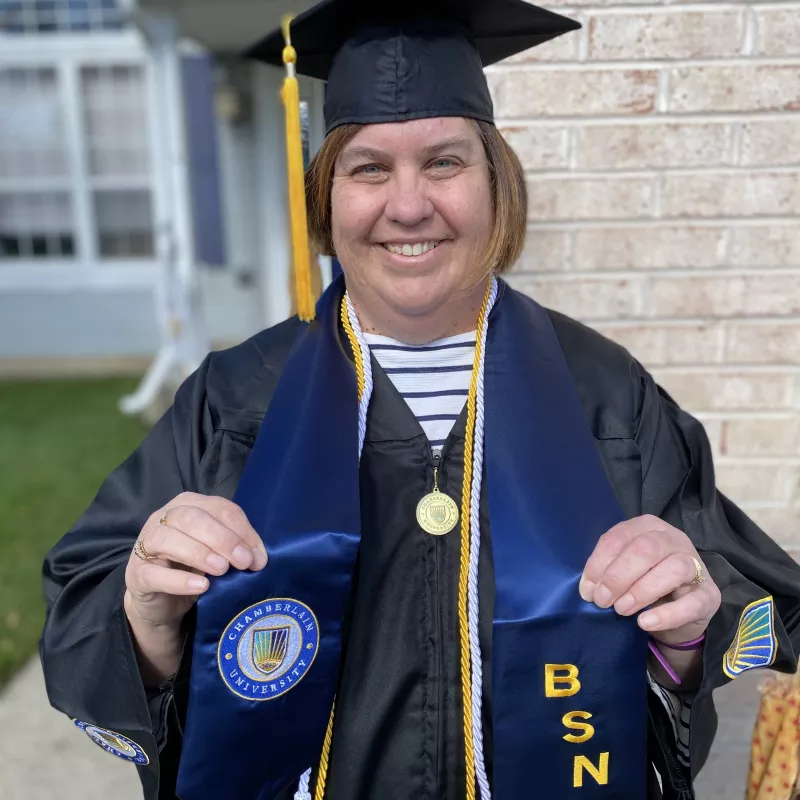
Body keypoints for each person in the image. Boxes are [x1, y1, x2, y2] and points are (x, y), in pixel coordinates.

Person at [40, 1, 800, 798]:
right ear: (327, 198)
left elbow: (742, 602)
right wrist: (148, 620)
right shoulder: (236, 397)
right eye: (369, 168)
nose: (408, 205)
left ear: (496, 183)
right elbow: (87, 602)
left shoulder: (604, 394)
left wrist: (681, 635)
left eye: (444, 162)